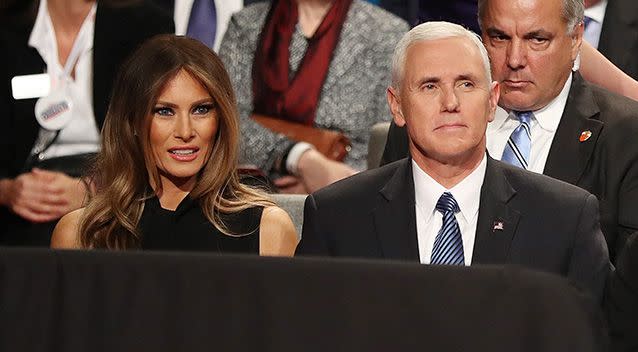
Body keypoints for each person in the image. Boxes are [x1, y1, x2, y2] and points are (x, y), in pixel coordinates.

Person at [295, 21, 610, 301]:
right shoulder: (336, 217)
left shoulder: (565, 218)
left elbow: (595, 338)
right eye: (430, 86)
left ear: (491, 101)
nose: (450, 103)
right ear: (397, 106)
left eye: (466, 84)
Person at [379, 0, 638, 264]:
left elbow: (626, 283)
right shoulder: (428, 123)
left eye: (536, 39)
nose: (515, 60)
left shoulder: (626, 136)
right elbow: (382, 236)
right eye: (499, 37)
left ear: (575, 39)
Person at [51, 35, 298, 255]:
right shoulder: (82, 234)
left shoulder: (268, 229)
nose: (185, 132)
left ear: (220, 119)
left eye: (201, 110)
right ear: (133, 121)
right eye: (165, 111)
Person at [0, 0, 174, 246]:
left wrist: (96, 190)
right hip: (24, 198)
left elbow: (159, 129)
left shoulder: (145, 24)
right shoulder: (8, 27)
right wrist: (7, 192)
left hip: (118, 182)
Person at [218, 0, 409, 193]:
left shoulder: (387, 33)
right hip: (252, 189)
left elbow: (386, 138)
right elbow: (227, 119)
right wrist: (300, 159)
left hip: (350, 192)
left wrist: (332, 181)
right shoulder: (245, 25)